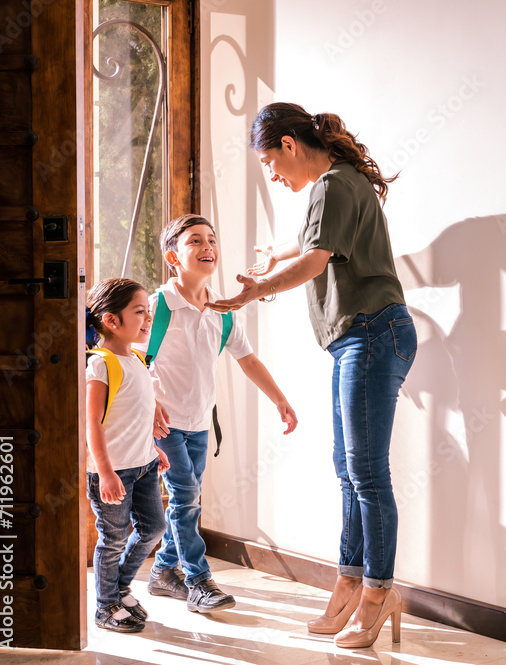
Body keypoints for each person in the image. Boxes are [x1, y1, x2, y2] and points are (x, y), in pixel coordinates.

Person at [207, 103, 417, 648]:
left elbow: (315, 260)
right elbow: (311, 244)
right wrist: (271, 257)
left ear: (288, 145)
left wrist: (258, 288)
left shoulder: (333, 185)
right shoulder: (340, 184)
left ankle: (377, 591)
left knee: (366, 473)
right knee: (348, 469)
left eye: (270, 163)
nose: (273, 175)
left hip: (372, 333)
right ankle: (351, 581)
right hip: (361, 336)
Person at [140, 213, 299, 613]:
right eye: (195, 241)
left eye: (211, 239)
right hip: (164, 424)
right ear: (173, 257)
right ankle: (198, 580)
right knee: (186, 497)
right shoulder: (158, 305)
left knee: (186, 500)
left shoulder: (223, 310)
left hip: (198, 424)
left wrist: (279, 398)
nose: (207, 247)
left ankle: (162, 571)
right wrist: (150, 402)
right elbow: (130, 359)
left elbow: (248, 361)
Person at [85, 277, 169, 633]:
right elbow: (93, 424)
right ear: (111, 320)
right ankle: (105, 607)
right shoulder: (100, 364)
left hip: (145, 466)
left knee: (154, 529)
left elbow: (135, 415)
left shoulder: (136, 358)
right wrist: (105, 472)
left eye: (147, 312)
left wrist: (154, 450)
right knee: (114, 537)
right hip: (113, 471)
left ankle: (119, 587)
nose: (147, 318)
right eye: (139, 312)